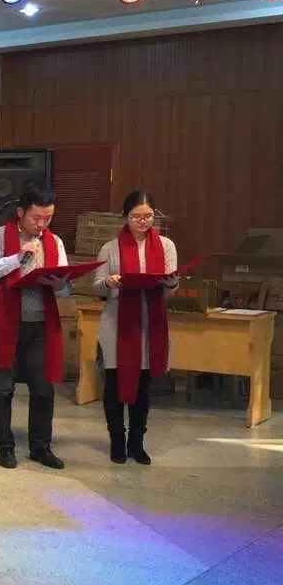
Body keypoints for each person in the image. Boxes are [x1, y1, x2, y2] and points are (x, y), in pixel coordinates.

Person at [0, 186, 71, 470]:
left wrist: (58, 282)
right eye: (36, 218)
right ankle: (4, 447)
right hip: (4, 322)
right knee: (2, 387)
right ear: (20, 213)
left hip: (40, 324)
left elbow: (63, 283)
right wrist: (17, 258)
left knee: (43, 388)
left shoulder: (55, 241)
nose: (42, 224)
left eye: (48, 218)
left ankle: (41, 447)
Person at [93, 190, 178, 465]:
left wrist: (171, 281)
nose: (142, 221)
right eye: (136, 216)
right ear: (125, 217)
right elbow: (96, 285)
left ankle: (137, 443)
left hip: (150, 324)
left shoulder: (165, 245)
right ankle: (117, 440)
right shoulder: (110, 248)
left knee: (143, 385)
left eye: (148, 216)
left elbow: (171, 284)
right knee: (114, 384)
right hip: (117, 324)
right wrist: (109, 282)